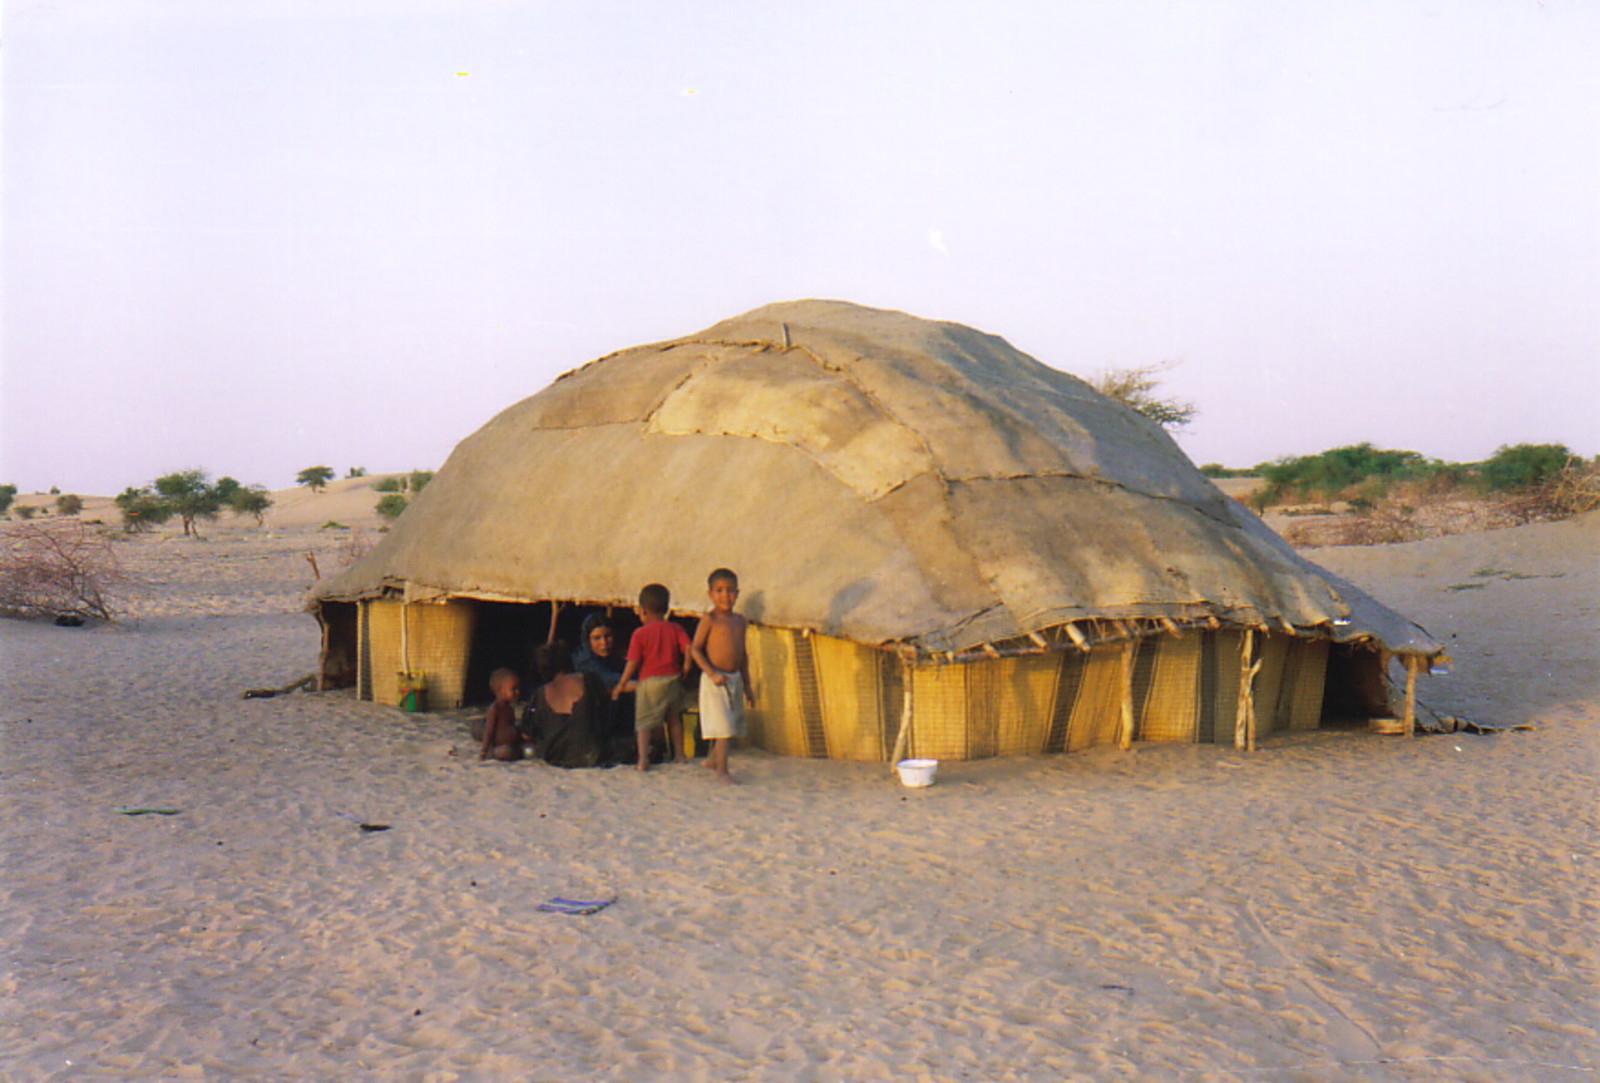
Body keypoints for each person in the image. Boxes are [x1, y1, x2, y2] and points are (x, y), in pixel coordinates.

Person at [613, 583, 691, 771]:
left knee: (644, 723)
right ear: (666, 609)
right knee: (673, 718)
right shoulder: (675, 628)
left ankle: (643, 760)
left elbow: (632, 661)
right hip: (672, 679)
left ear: (643, 611)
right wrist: (686, 666)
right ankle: (679, 754)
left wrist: (621, 683)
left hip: (650, 683)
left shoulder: (639, 634)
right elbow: (688, 647)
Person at [690, 568, 754, 784]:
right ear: (710, 594)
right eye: (719, 591)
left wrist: (747, 685)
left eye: (730, 591)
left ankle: (711, 759)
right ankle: (722, 771)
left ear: (738, 593)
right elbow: (695, 649)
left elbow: (742, 654)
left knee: (731, 725)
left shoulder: (739, 621)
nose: (725, 596)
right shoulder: (710, 619)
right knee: (723, 727)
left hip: (733, 678)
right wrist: (711, 673)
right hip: (714, 680)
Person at [524, 642, 609, 768]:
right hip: (592, 753)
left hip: (555, 756)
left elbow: (527, 731)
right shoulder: (588, 680)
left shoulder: (539, 695)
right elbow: (605, 711)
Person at [479, 668, 523, 762]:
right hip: (500, 746)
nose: (517, 692)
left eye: (518, 689)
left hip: (510, 744)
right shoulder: (495, 709)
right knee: (504, 752)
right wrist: (484, 751)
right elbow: (489, 731)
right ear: (500, 690)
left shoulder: (510, 709)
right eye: (513, 689)